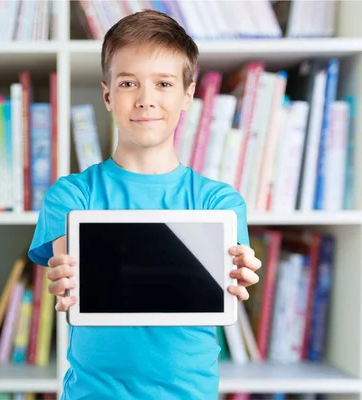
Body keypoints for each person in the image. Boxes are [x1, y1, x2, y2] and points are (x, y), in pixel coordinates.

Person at [27, 9, 262, 400]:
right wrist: (65, 277)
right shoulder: (72, 196)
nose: (146, 99)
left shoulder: (217, 201)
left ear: (188, 94)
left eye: (164, 83)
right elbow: (72, 285)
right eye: (129, 83)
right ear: (107, 95)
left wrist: (239, 271)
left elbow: (228, 277)